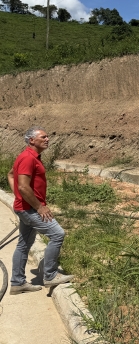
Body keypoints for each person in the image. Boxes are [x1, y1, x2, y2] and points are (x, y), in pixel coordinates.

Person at [7, 126, 74, 295]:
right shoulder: (28, 158)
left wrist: (18, 196)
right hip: (31, 209)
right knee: (57, 234)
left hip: (26, 207)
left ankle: (17, 283)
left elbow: (10, 175)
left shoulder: (29, 157)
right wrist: (39, 206)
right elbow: (22, 185)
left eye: (47, 136)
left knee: (23, 245)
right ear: (32, 140)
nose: (47, 139)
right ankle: (50, 275)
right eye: (43, 137)